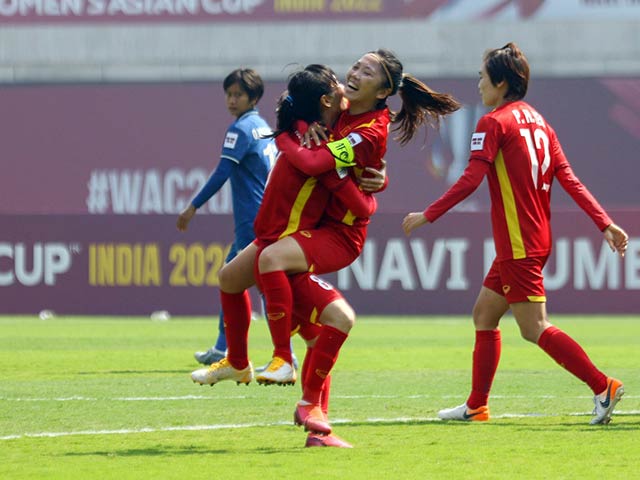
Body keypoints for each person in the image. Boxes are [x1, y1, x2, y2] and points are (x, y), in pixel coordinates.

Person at [402, 43, 628, 425]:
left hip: (519, 243)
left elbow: (471, 179)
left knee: (534, 327)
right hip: (529, 239)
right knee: (484, 315)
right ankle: (477, 406)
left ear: (501, 82)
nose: (478, 84)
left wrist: (429, 214)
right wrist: (604, 222)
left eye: (482, 76)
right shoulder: (540, 122)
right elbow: (569, 180)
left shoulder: (494, 122)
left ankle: (602, 385)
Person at [255, 49, 462, 386]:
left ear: (382, 92)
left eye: (367, 72)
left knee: (271, 261)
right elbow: (296, 103)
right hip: (317, 223)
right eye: (356, 66)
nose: (354, 74)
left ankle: (282, 359)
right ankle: (303, 399)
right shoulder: (345, 107)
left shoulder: (369, 130)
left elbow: (318, 165)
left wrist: (286, 139)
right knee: (237, 276)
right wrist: (305, 126)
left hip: (341, 233)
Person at [190, 64, 383, 389]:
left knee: (308, 314)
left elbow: (336, 170)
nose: (343, 86)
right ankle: (238, 362)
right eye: (335, 83)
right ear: (324, 99)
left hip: (289, 234)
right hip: (271, 229)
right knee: (228, 279)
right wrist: (290, 132)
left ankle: (284, 359)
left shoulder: (327, 141)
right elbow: (289, 104)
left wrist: (378, 186)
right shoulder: (307, 128)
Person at [176, 68, 276, 365]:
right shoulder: (262, 126)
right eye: (229, 94)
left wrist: (193, 206)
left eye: (238, 95)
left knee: (262, 285)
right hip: (266, 215)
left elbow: (223, 172)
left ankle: (285, 354)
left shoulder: (241, 130)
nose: (232, 100)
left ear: (253, 97)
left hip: (252, 220)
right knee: (230, 280)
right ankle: (224, 347)